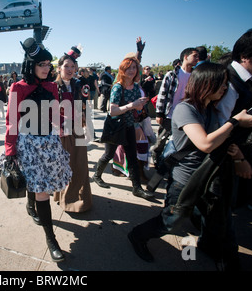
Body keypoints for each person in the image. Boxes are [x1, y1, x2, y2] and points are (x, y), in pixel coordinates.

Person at [128, 62, 252, 266]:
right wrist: (235, 122)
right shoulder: (185, 109)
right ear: (206, 83)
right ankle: (138, 235)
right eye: (221, 83)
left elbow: (224, 141)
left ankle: (212, 248)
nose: (225, 88)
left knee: (215, 220)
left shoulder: (213, 110)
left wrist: (240, 158)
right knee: (172, 221)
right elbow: (205, 143)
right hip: (186, 180)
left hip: (210, 178)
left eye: (226, 84)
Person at [4, 38, 72, 262]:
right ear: (30, 65)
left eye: (48, 64)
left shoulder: (52, 85)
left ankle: (30, 202)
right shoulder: (19, 87)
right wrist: (10, 151)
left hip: (49, 142)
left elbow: (54, 113)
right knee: (41, 188)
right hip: (28, 144)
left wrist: (62, 125)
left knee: (41, 184)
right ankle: (51, 238)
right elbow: (12, 120)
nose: (47, 68)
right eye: (41, 64)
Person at [216, 26, 252, 212]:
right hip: (225, 155)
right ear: (245, 55)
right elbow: (218, 127)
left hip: (239, 149)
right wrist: (238, 158)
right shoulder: (227, 81)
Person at [92, 57, 154, 200]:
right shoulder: (118, 87)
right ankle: (97, 175)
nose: (132, 71)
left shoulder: (137, 87)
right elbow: (112, 111)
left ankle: (137, 188)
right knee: (108, 154)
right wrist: (133, 105)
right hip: (116, 127)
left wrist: (140, 107)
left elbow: (137, 110)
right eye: (128, 68)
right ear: (122, 70)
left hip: (130, 126)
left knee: (132, 158)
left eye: (134, 67)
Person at [53, 47, 92, 213]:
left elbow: (84, 105)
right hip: (61, 132)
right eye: (66, 66)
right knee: (64, 166)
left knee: (81, 164)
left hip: (77, 129)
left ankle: (82, 198)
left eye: (72, 67)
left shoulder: (79, 84)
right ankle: (65, 198)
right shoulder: (53, 86)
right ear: (59, 68)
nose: (69, 70)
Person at [151, 48, 199, 167]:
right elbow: (163, 94)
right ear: (185, 57)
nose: (197, 59)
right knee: (161, 140)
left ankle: (172, 163)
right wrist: (159, 113)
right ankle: (156, 158)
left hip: (186, 116)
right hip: (169, 114)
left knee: (181, 142)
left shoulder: (196, 76)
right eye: (195, 56)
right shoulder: (172, 74)